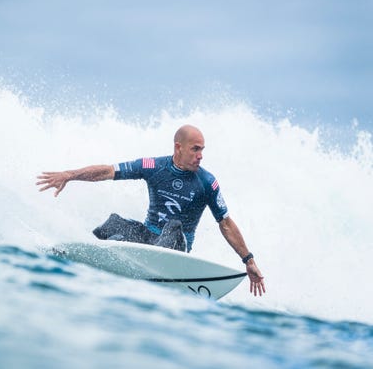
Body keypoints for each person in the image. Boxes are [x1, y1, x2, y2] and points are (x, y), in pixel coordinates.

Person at [36, 125, 265, 296]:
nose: (200, 155)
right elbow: (107, 171)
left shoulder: (207, 182)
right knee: (113, 224)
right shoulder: (153, 166)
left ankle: (145, 264)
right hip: (149, 238)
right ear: (179, 147)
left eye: (202, 150)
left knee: (173, 226)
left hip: (177, 243)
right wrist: (69, 175)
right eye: (195, 149)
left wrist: (248, 259)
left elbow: (225, 223)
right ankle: (81, 259)